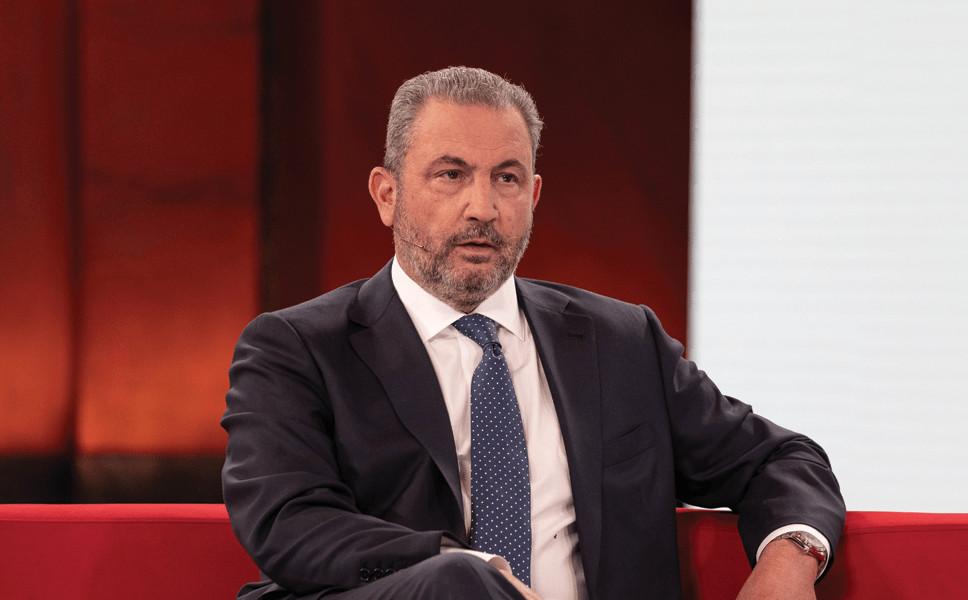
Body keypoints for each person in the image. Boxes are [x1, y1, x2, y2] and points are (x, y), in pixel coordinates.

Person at [222, 66, 845, 600]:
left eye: (507, 178)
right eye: (451, 174)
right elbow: (288, 522)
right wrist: (469, 570)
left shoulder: (621, 342)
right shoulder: (296, 349)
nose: (483, 208)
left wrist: (789, 561)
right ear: (387, 194)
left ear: (534, 195)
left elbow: (779, 458)